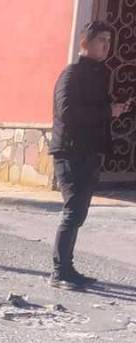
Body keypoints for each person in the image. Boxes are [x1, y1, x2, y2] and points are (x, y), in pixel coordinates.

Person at [49, 21, 133, 289]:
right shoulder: (71, 74)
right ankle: (59, 273)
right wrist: (108, 112)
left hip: (89, 152)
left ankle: (67, 269)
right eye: (101, 41)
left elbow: (95, 111)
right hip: (70, 152)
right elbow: (67, 112)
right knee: (73, 212)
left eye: (109, 41)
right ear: (84, 43)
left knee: (79, 213)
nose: (107, 46)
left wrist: (115, 107)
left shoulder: (99, 75)